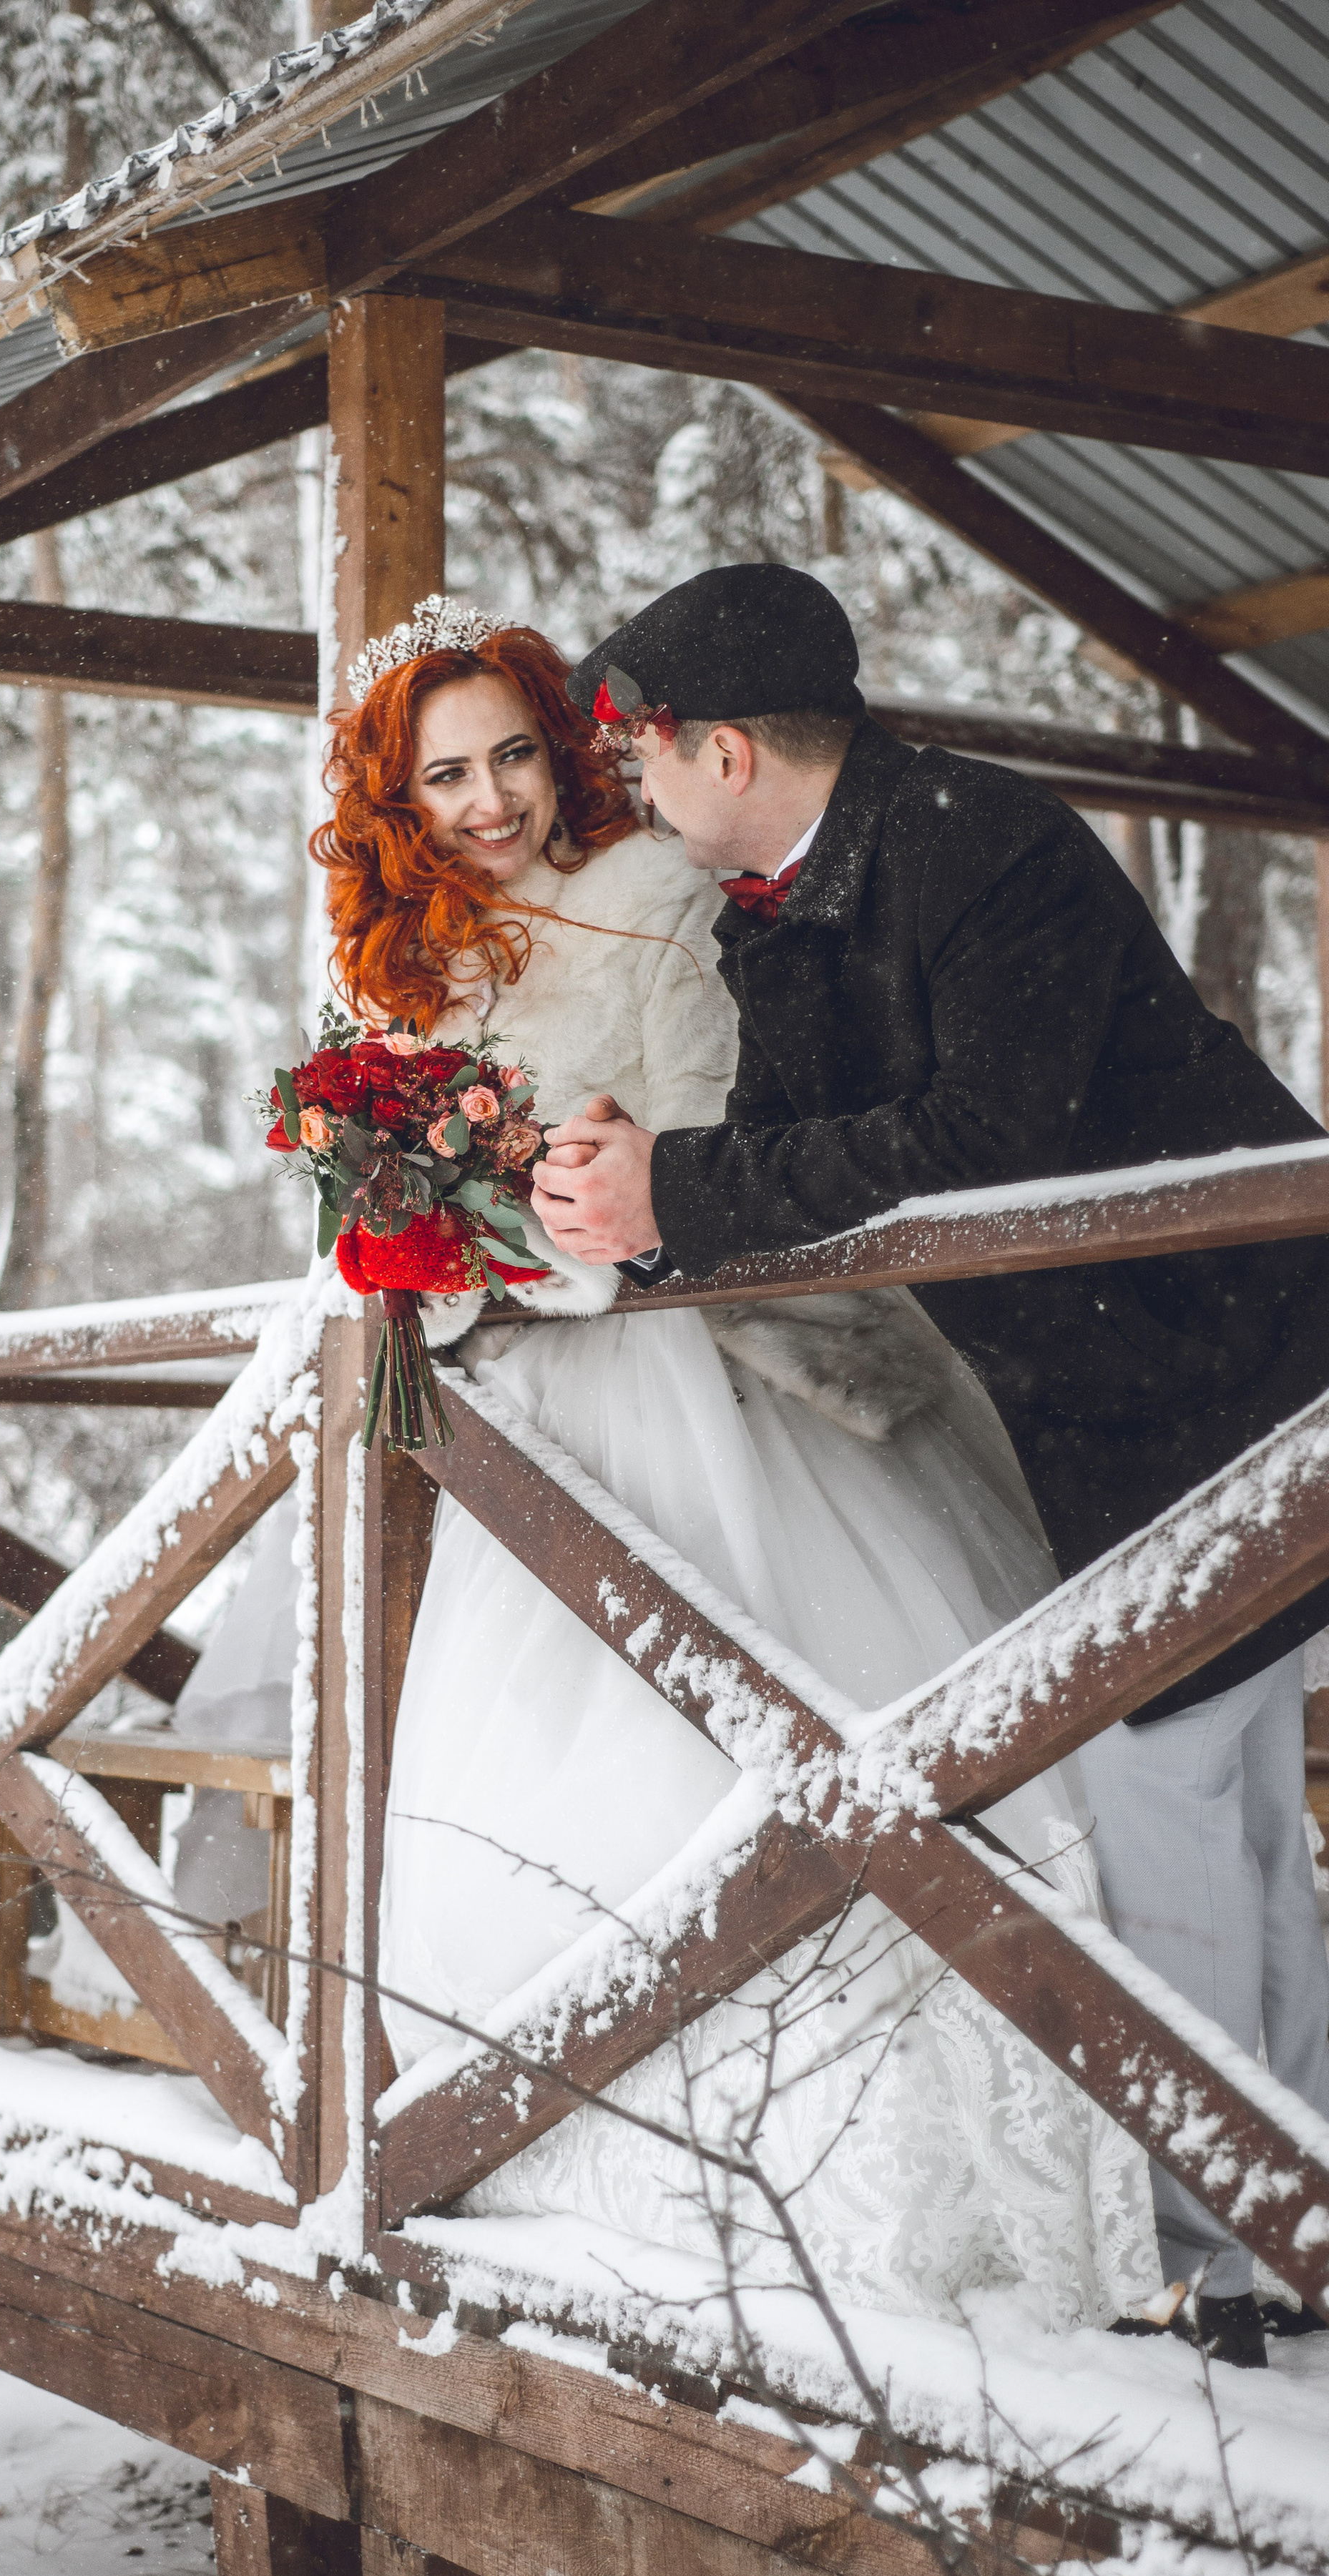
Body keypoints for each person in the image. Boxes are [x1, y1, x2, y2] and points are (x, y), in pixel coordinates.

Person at [309, 596, 1159, 2335]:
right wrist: (419, 1245)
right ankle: (531, 2141)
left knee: (803, 1750)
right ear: (398, 798)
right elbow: (400, 1208)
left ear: (564, 745)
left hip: (715, 1361)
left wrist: (584, 1239)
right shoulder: (401, 966)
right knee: (529, 1795)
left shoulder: (663, 900)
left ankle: (892, 2174)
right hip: (532, 1423)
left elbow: (725, 1142)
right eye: (445, 774)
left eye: (514, 755)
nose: (487, 802)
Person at [536, 562, 1329, 2366]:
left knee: (1161, 1787)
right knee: (1225, 1804)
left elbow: (985, 1137)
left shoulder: (990, 849)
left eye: (639, 756)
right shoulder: (769, 906)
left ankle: (1219, 2242)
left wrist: (686, 1190)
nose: (635, 794)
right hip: (1104, 1390)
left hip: (1238, 1355)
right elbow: (801, 1153)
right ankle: (1279, 2215)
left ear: (718, 745)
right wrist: (638, 1192)